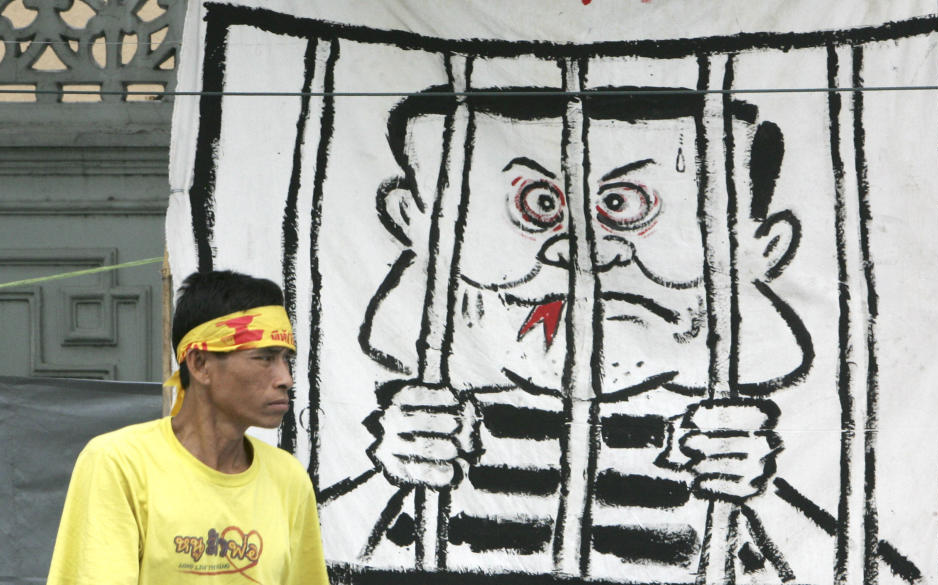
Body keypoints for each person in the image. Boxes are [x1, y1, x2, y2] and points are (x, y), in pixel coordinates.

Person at [321, 86, 815, 582]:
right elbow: (304, 552)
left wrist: (760, 493)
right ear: (414, 220)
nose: (583, 254)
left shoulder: (738, 428)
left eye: (623, 204)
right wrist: (387, 479)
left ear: (761, 247)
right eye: (537, 203)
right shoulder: (431, 410)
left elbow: (854, 563)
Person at [47, 270, 330, 585]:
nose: (285, 379)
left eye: (286, 359)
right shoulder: (120, 465)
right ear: (200, 365)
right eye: (264, 358)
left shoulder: (288, 478)